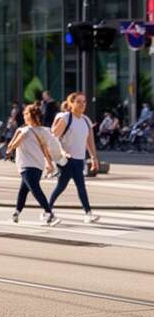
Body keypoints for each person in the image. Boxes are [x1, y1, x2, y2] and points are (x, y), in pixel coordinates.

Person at [48, 92, 100, 224]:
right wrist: (62, 151)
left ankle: (87, 213)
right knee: (68, 186)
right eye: (78, 101)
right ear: (71, 104)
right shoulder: (66, 118)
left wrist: (93, 158)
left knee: (71, 186)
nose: (82, 104)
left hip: (79, 159)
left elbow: (90, 141)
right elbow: (54, 138)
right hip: (67, 159)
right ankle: (87, 213)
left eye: (84, 102)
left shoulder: (86, 120)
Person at [8, 103, 60, 225]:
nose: (23, 115)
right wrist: (49, 163)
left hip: (26, 165)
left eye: (25, 114)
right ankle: (17, 213)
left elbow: (13, 144)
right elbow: (45, 149)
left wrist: (11, 148)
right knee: (25, 189)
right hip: (38, 166)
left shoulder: (25, 130)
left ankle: (48, 213)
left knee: (33, 189)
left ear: (28, 116)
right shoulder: (41, 131)